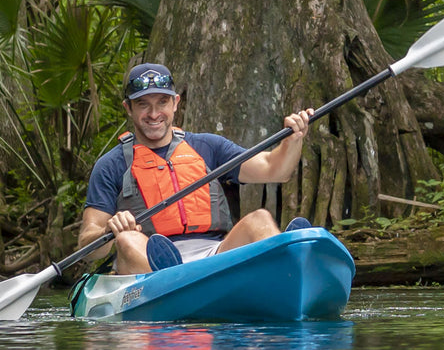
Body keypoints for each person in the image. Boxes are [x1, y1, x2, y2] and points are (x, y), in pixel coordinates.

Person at [78, 62, 315, 274]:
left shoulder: (207, 146)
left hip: (214, 255)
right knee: (127, 240)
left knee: (260, 219)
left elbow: (275, 169)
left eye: (162, 102)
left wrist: (293, 140)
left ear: (175, 103)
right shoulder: (111, 164)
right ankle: (175, 284)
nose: (154, 114)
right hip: (152, 263)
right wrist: (107, 231)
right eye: (143, 105)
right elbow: (87, 246)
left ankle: (290, 266)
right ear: (128, 108)